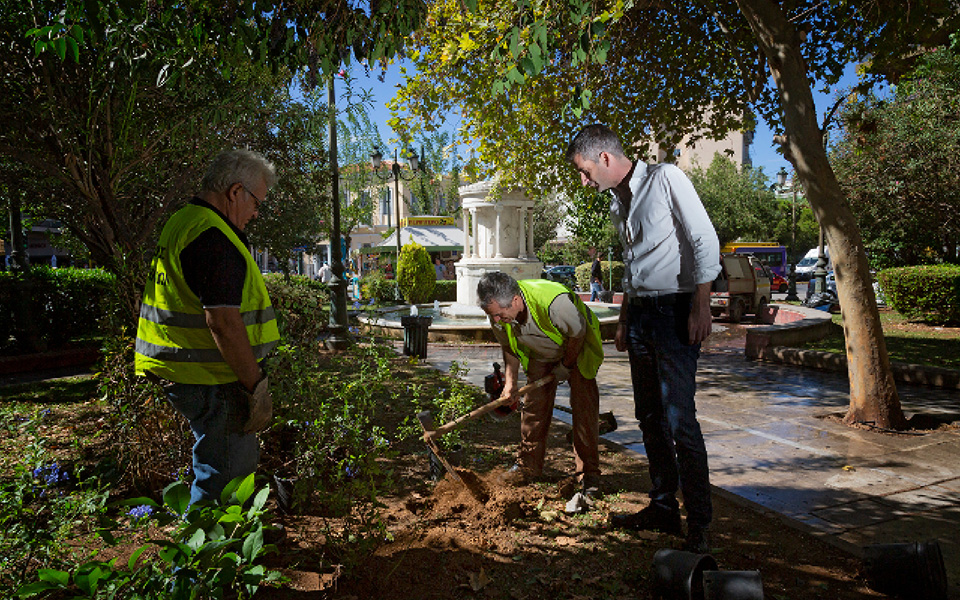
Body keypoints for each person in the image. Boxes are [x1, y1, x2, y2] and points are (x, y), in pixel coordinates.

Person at [567, 124, 721, 553]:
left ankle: (700, 523)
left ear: (604, 158)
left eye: (583, 171)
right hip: (640, 318)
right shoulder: (619, 203)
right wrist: (623, 319)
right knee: (648, 416)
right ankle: (663, 508)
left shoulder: (665, 178)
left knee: (679, 419)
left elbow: (704, 240)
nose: (584, 181)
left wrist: (701, 304)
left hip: (676, 312)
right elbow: (635, 269)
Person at [135, 149, 281, 506]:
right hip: (214, 379)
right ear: (235, 192)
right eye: (257, 202)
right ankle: (206, 557)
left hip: (187, 371)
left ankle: (223, 551)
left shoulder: (184, 221)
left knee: (218, 465)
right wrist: (254, 387)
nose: (256, 213)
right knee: (224, 477)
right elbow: (225, 323)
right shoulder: (214, 236)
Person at [477, 271, 604, 511]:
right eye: (491, 315)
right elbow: (509, 347)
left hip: (575, 347)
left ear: (515, 301)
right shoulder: (497, 314)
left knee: (584, 410)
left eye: (499, 315)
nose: (495, 320)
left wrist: (566, 366)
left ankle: (589, 474)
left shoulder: (555, 302)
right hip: (540, 352)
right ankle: (528, 466)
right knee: (533, 408)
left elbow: (578, 334)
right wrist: (510, 383)